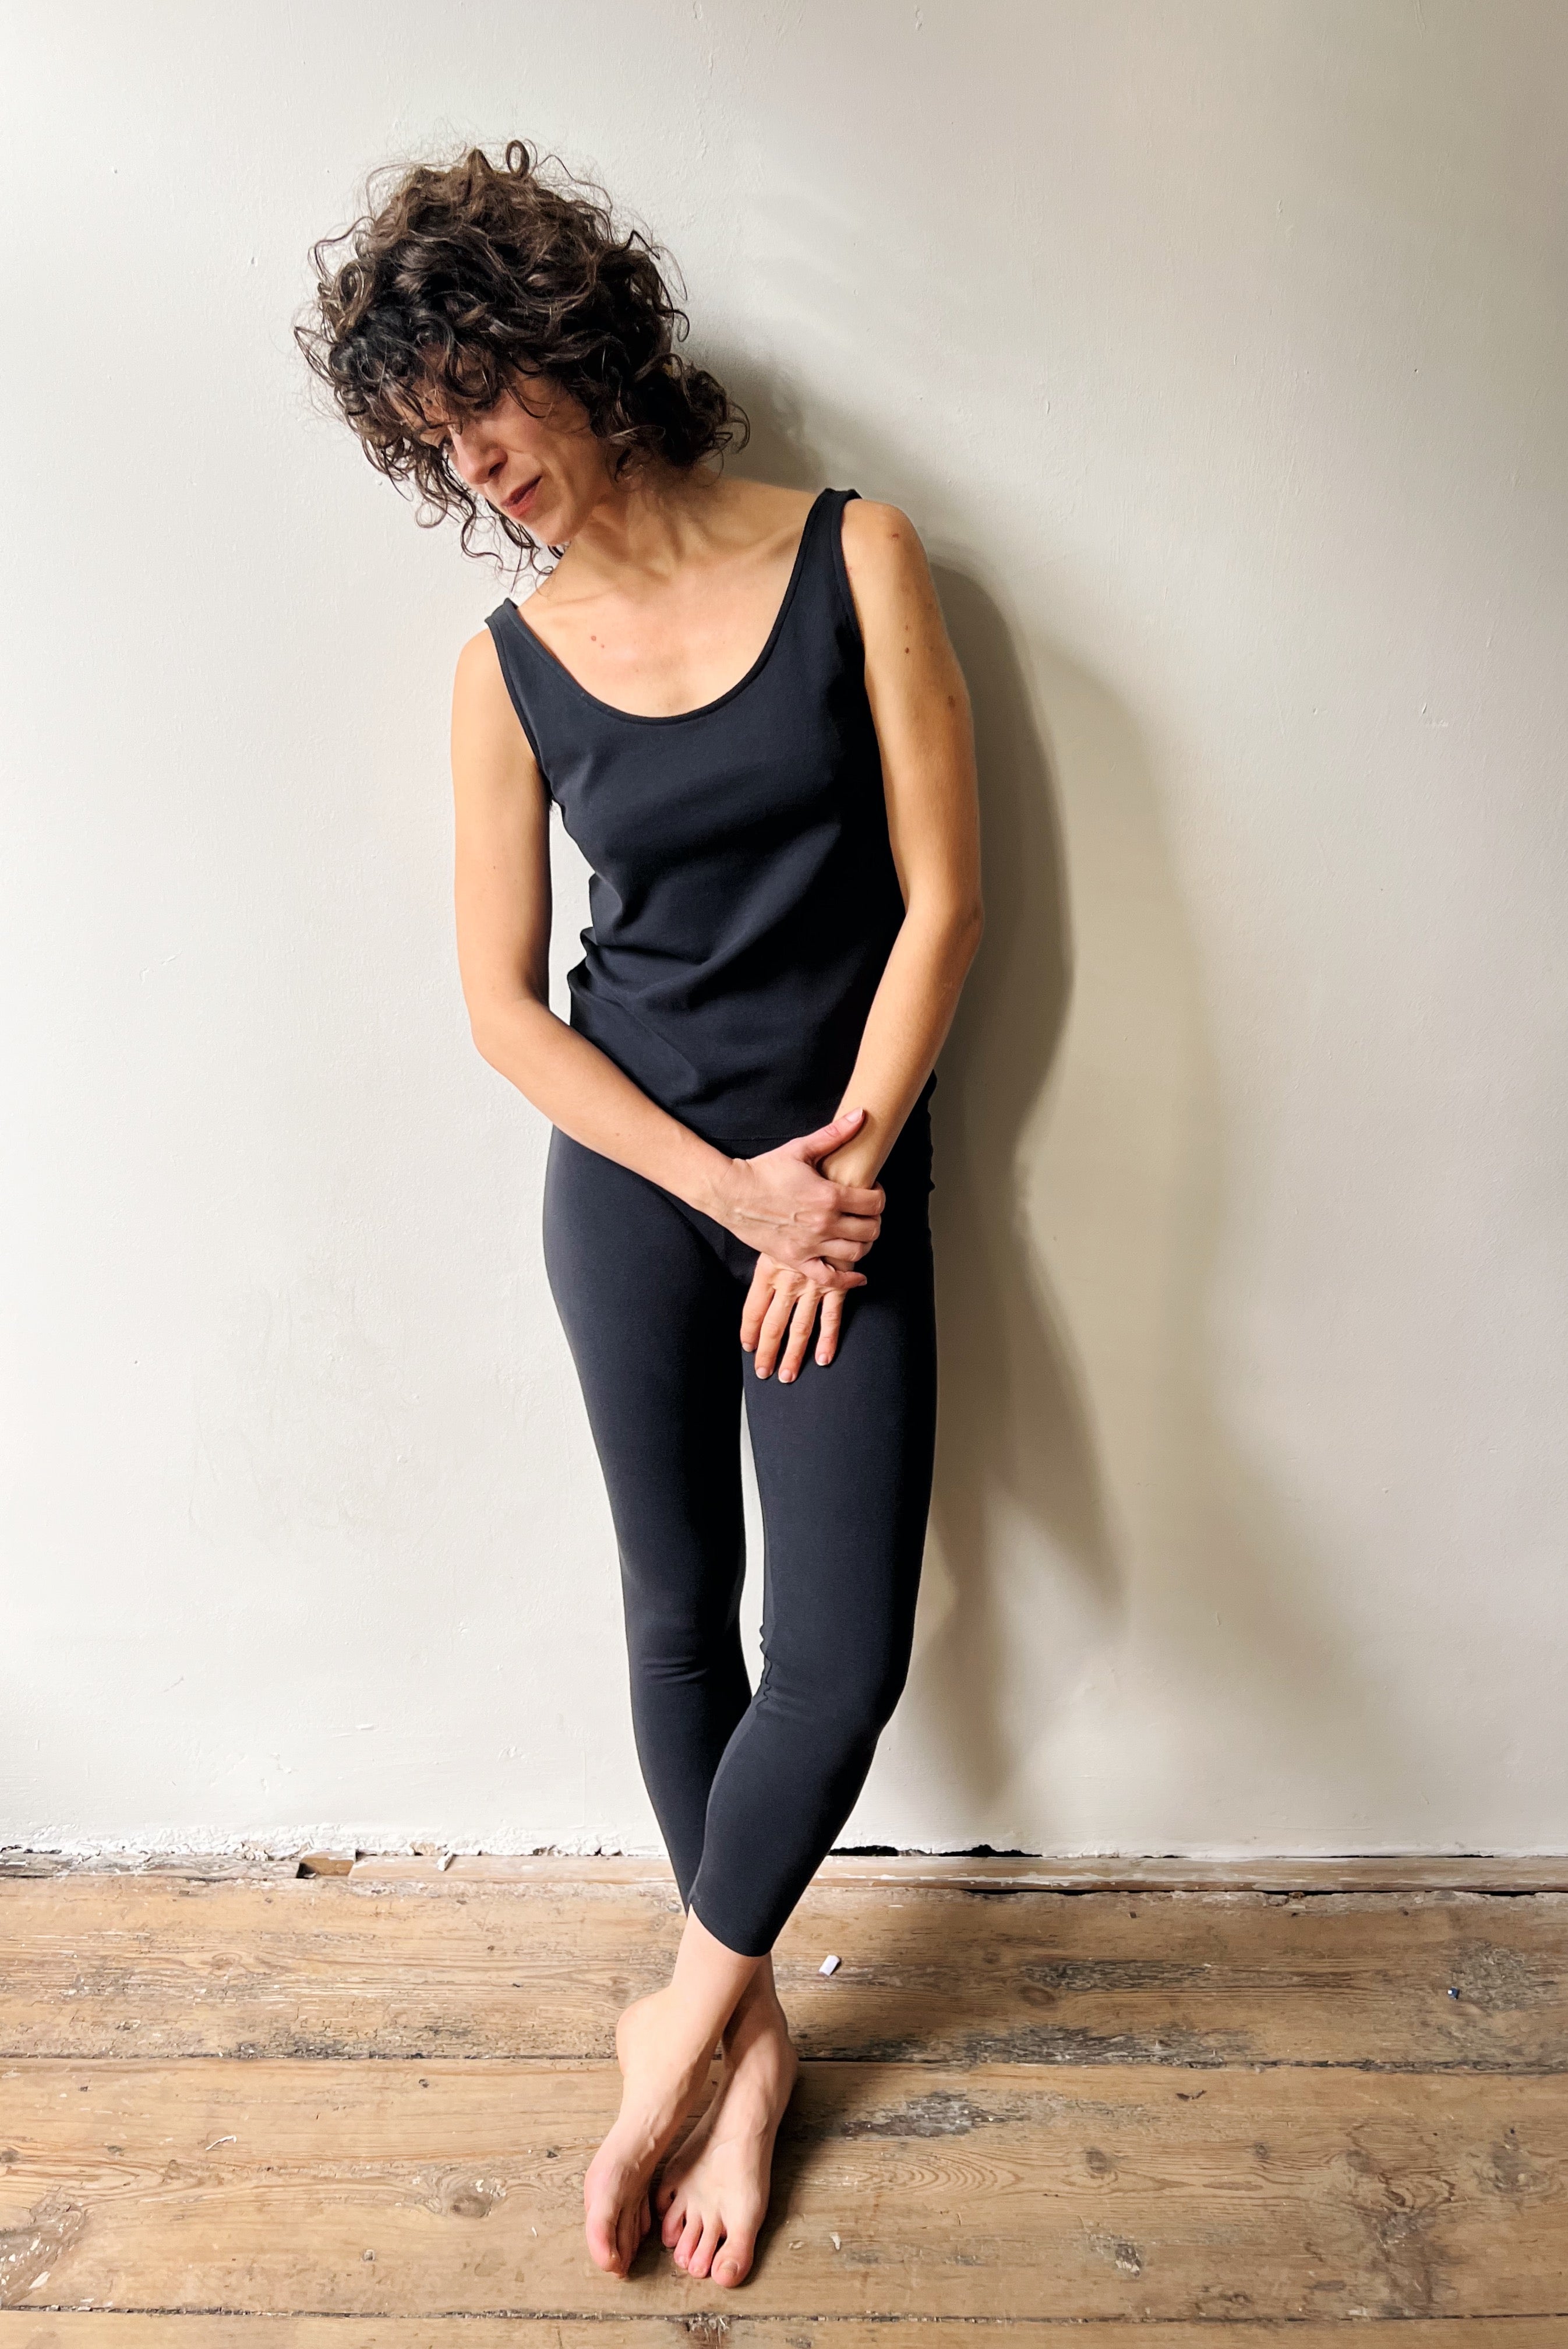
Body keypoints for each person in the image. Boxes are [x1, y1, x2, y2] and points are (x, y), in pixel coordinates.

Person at [296, 139, 983, 2290]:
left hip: (844, 1185)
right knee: (680, 1616)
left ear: (575, 350)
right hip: (640, 1194)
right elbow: (503, 1010)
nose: (473, 465)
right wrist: (723, 1194)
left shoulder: (855, 553)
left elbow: (948, 898)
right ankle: (755, 2049)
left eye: (482, 404)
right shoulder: (506, 667)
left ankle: (675, 2010)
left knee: (839, 1654)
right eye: (433, 442)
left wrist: (838, 1178)